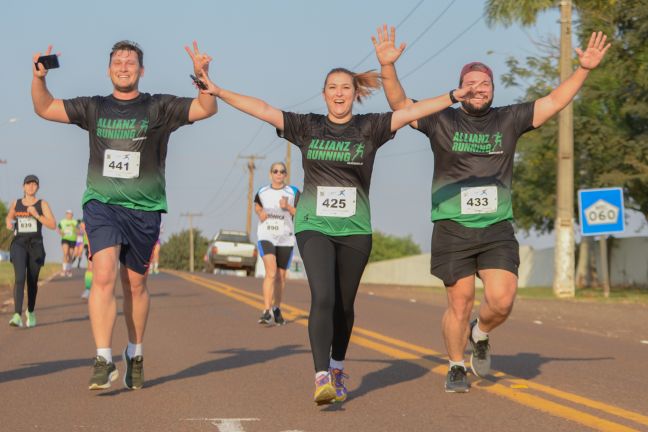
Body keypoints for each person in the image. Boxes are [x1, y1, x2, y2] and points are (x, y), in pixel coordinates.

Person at [194, 36, 481, 404]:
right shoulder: (307, 126)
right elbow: (262, 108)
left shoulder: (370, 127)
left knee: (345, 306)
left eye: (345, 87)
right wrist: (217, 90)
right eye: (332, 87)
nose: (339, 93)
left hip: (356, 230)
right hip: (313, 226)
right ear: (324, 94)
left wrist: (453, 96)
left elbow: (412, 112)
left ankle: (338, 365)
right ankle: (321, 378)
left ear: (354, 93)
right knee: (324, 298)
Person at [373, 25, 611, 392]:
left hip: (496, 225)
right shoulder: (442, 118)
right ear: (460, 87)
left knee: (501, 301)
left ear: (492, 89)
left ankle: (479, 333)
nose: (478, 88)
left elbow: (553, 102)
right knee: (461, 300)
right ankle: (455, 366)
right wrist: (388, 67)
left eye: (485, 84)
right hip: (452, 225)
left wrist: (585, 69)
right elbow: (401, 106)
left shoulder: (508, 119)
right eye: (471, 83)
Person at [31, 40, 218, 390]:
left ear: (141, 70)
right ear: (108, 70)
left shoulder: (158, 107)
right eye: (117, 61)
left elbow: (206, 109)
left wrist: (202, 78)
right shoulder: (93, 107)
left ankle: (135, 351)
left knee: (135, 284)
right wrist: (39, 79)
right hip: (101, 204)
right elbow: (44, 108)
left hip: (145, 209)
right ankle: (103, 357)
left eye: (130, 62)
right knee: (103, 274)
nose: (123, 66)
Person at [5, 175, 56, 328]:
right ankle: (16, 315)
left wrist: (37, 215)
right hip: (19, 244)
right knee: (20, 278)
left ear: (37, 188)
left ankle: (31, 311)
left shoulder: (42, 204)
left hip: (36, 245)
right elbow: (9, 217)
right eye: (28, 184)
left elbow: (53, 224)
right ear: (23, 187)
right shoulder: (16, 203)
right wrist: (9, 222)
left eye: (34, 184)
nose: (31, 187)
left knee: (32, 282)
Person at [254, 162, 299, 326]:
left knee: (281, 276)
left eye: (282, 171)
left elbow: (300, 213)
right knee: (271, 272)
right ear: (270, 174)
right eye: (275, 171)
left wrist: (287, 207)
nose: (278, 174)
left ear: (285, 175)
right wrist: (260, 212)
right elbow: (257, 206)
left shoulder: (292, 192)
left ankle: (277, 308)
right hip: (266, 235)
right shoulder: (263, 192)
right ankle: (266, 311)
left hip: (285, 237)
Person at [57, 210, 78, 277]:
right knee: (65, 253)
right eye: (68, 214)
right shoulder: (62, 221)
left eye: (70, 214)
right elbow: (58, 228)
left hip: (73, 239)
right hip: (65, 239)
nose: (69, 215)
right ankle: (64, 270)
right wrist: (61, 233)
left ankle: (69, 270)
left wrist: (75, 229)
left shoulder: (75, 222)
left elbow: (78, 230)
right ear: (66, 214)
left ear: (72, 215)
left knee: (70, 255)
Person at [80, 220, 92, 300]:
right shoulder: (87, 214)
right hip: (89, 245)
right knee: (90, 268)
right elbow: (82, 225)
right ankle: (88, 289)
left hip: (102, 243)